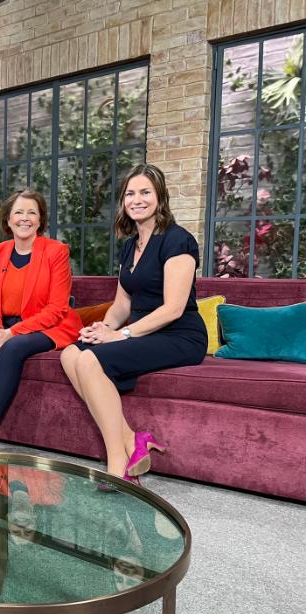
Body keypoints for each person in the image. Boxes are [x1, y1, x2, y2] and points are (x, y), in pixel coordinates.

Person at [60, 164, 207, 484]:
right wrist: (102, 328)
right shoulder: (130, 246)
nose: (136, 199)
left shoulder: (178, 240)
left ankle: (117, 466)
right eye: (130, 193)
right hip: (142, 332)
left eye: (145, 192)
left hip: (179, 335)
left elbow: (172, 309)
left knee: (90, 359)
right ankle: (132, 441)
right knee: (70, 353)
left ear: (160, 197)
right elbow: (122, 304)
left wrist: (121, 334)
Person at [0, 189, 82, 451]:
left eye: (32, 213)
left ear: (40, 220)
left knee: (12, 348)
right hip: (3, 325)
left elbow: (57, 308)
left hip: (49, 325)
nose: (24, 218)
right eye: (18, 212)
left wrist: (11, 333)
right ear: (8, 219)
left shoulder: (56, 251)